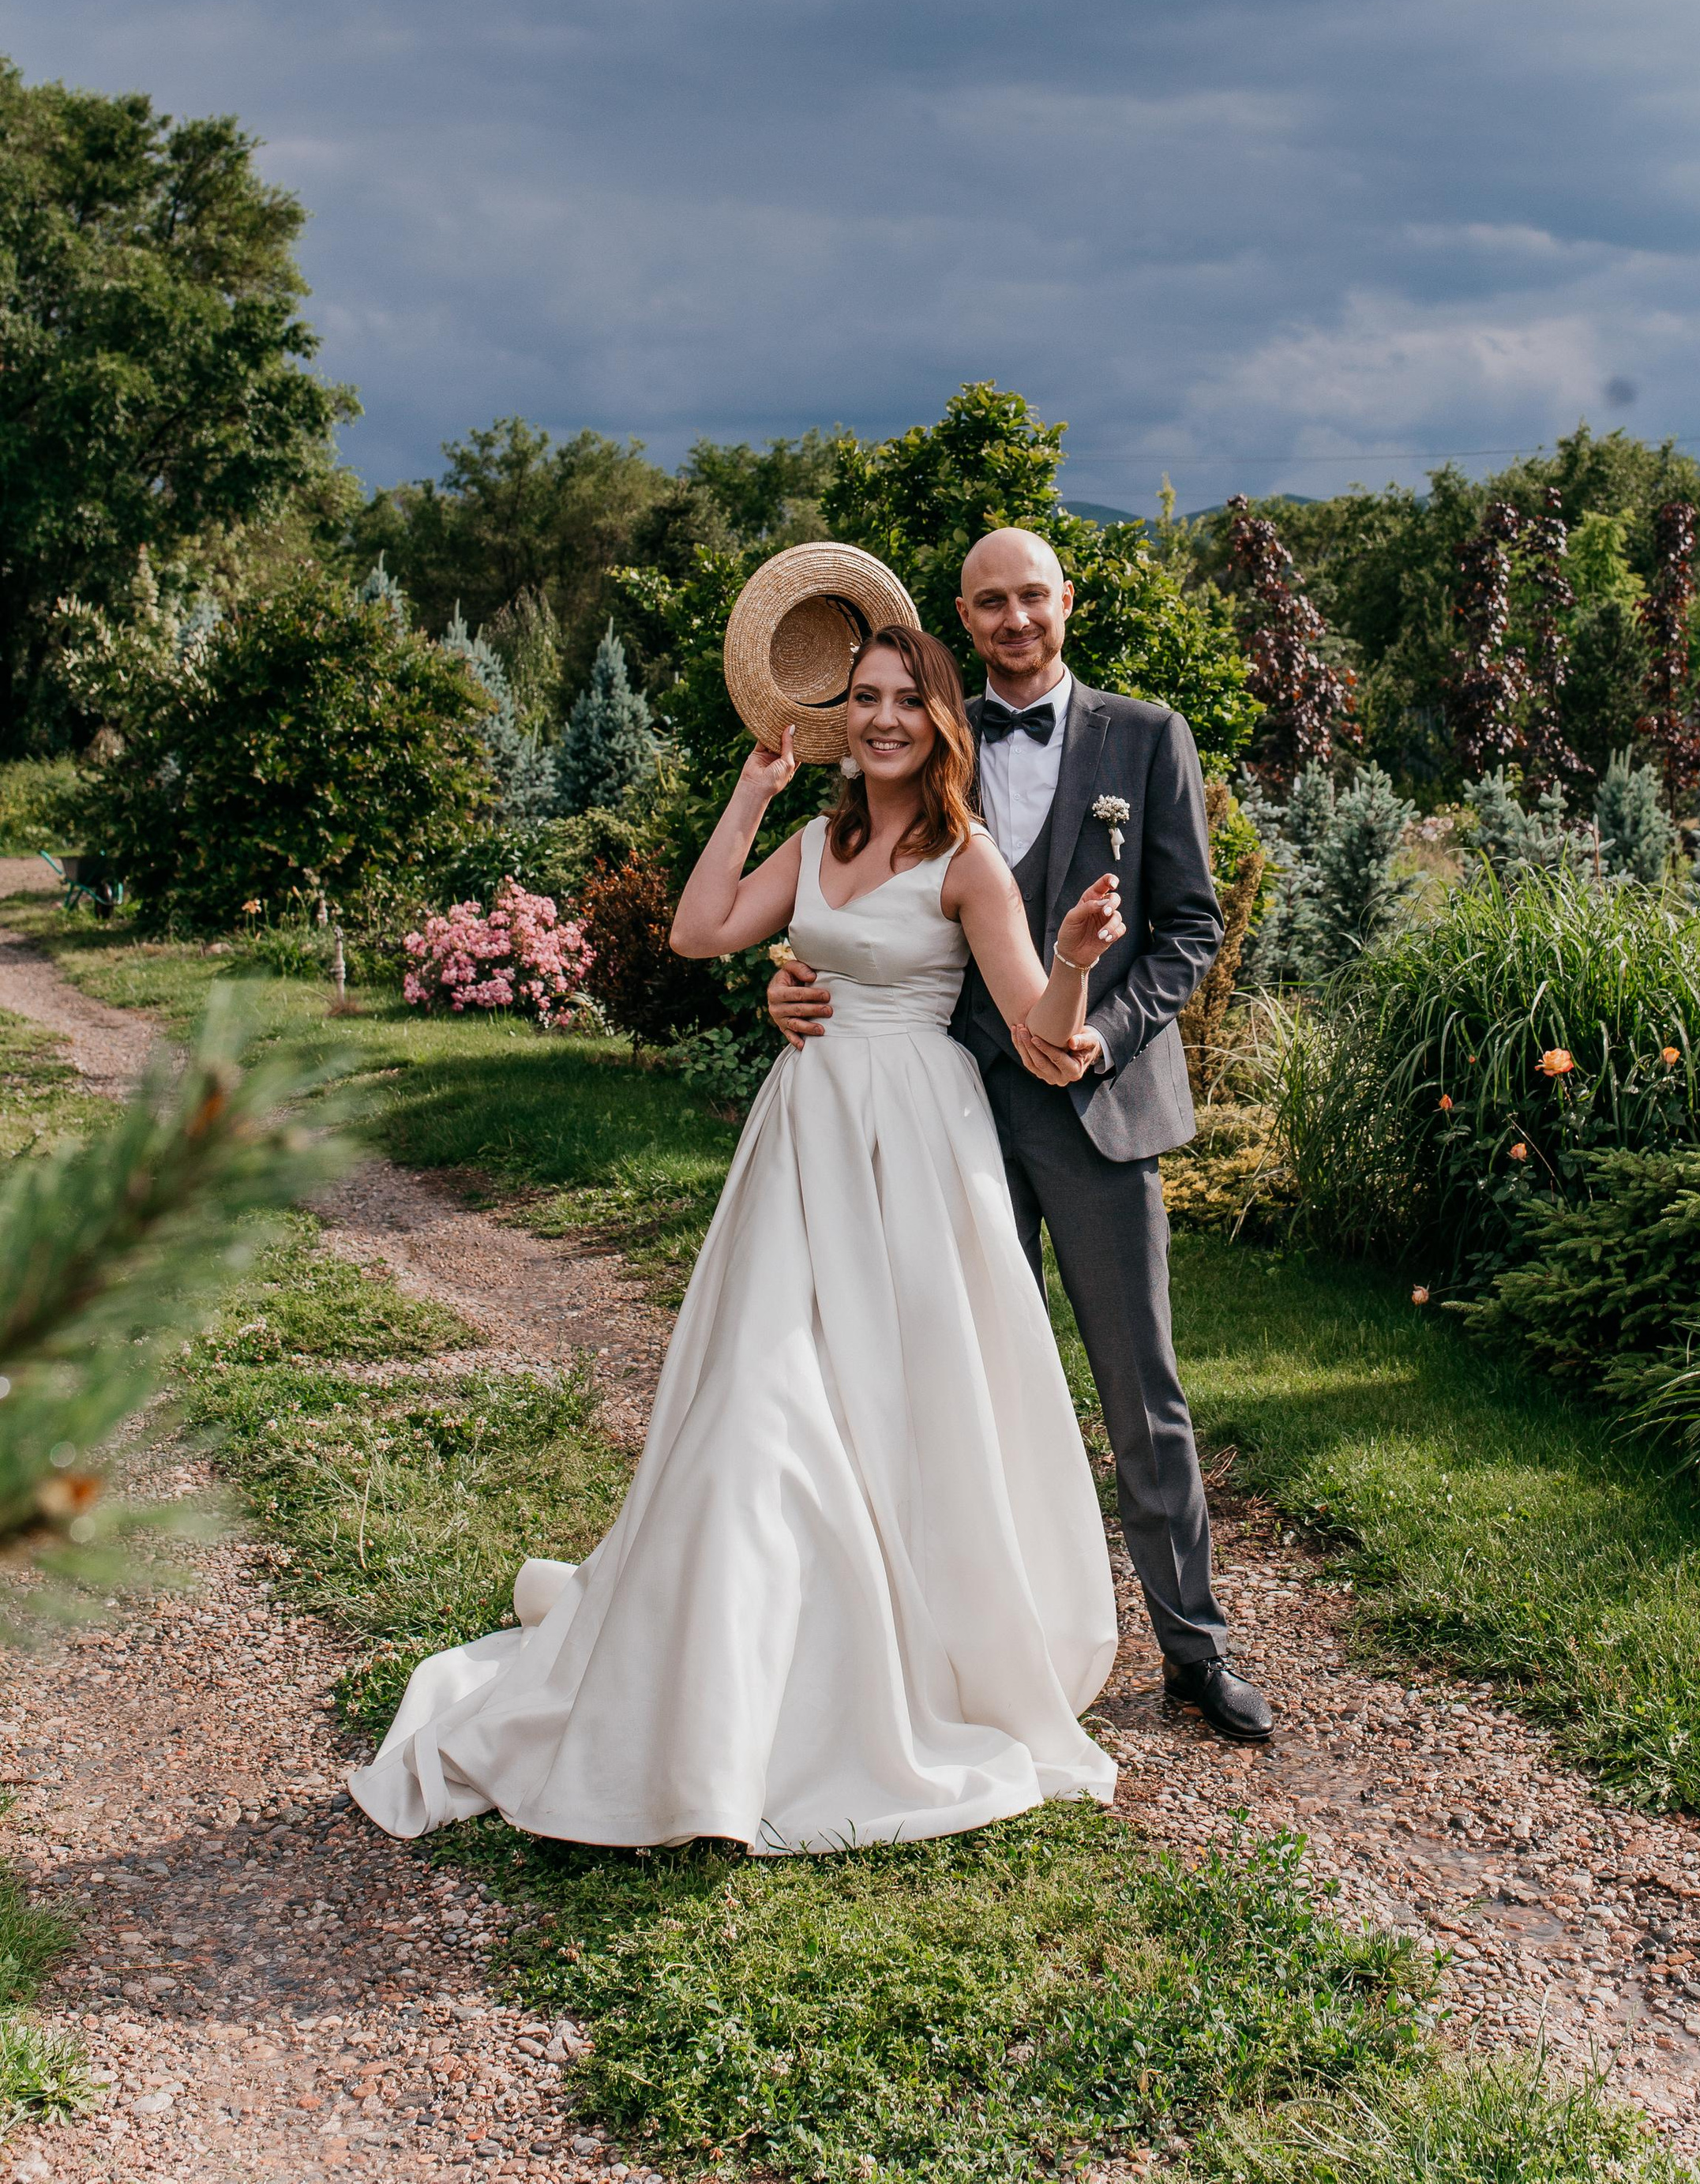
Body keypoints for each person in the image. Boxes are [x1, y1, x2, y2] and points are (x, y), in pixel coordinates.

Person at [348, 621, 1128, 1855]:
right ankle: (719, 1717)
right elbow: (699, 929)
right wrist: (753, 789)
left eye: (905, 700)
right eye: (863, 698)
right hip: (805, 1138)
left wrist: (1075, 960)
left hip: (916, 1152)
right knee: (754, 1412)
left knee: (907, 1404)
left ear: (940, 721)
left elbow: (1044, 1038)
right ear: (840, 719)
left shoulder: (967, 862)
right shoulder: (816, 843)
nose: (882, 719)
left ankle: (888, 1666)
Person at [769, 528, 1275, 1743]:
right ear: (965, 614)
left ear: (1066, 602)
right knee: (954, 1383)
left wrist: (1106, 1032)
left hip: (1101, 1115)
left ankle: (1194, 1653)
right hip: (954, 1117)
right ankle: (959, 1656)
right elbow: (860, 904)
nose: (1014, 619)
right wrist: (787, 982)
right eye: (990, 601)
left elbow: (1190, 928)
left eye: (1032, 597)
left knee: (1141, 1390)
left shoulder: (1145, 737)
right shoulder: (921, 737)